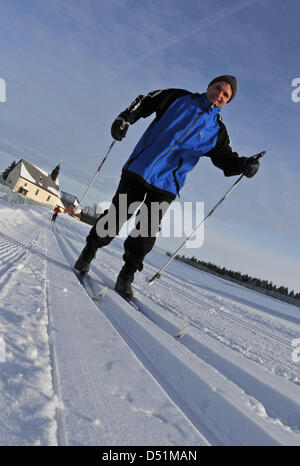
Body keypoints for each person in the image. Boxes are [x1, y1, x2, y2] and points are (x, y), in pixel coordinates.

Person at [75, 75, 260, 299]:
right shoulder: (178, 97)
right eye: (218, 88)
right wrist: (124, 119)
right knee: (117, 215)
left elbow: (226, 159)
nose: (219, 94)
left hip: (168, 183)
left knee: (147, 228)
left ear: (227, 102)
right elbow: (144, 103)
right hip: (140, 167)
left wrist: (244, 165)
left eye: (225, 95)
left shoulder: (218, 131)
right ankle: (89, 252)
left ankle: (127, 275)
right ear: (209, 85)